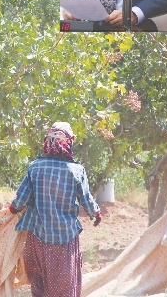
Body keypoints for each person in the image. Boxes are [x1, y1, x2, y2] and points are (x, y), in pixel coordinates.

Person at [10, 122, 101, 297]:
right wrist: (95, 213)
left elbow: (20, 201)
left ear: (48, 142)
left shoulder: (35, 167)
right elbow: (86, 200)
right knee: (63, 290)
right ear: (68, 143)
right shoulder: (76, 170)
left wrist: (13, 208)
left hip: (36, 240)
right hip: (64, 240)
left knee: (39, 287)